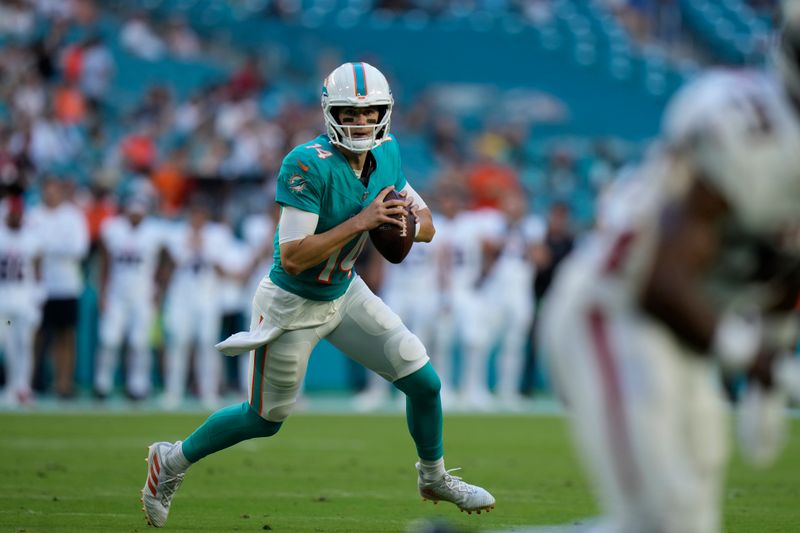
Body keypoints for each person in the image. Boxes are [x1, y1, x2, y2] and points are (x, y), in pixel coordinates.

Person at [141, 62, 495, 527]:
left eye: (370, 114)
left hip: (346, 292)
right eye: (350, 112)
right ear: (331, 113)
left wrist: (407, 224)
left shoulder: (388, 154)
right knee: (263, 420)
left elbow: (425, 219)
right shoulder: (306, 162)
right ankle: (169, 462)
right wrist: (363, 221)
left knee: (425, 382)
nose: (361, 123)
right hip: (293, 303)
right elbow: (292, 256)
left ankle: (433, 477)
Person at [538, 8, 800, 532]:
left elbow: (785, 271)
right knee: (660, 521)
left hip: (688, 331)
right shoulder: (746, 124)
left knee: (686, 523)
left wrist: (772, 360)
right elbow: (659, 282)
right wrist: (752, 358)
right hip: (616, 309)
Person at [93, 194, 164, 401]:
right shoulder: (113, 229)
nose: (135, 217)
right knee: (109, 339)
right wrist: (102, 291)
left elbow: (166, 260)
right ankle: (102, 384)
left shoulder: (154, 232)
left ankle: (138, 385)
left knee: (139, 342)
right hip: (116, 293)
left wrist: (159, 287)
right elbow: (104, 262)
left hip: (143, 294)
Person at [28, 177, 89, 399]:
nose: (51, 195)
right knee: (37, 335)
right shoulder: (34, 215)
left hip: (66, 284)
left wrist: (47, 248)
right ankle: (31, 381)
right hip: (39, 285)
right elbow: (28, 247)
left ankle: (63, 383)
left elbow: (79, 248)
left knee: (66, 336)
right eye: (48, 191)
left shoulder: (72, 216)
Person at [0, 196, 43, 406]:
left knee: (24, 344)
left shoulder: (31, 239)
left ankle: (23, 387)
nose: (16, 218)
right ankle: (11, 386)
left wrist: (38, 298)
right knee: (8, 345)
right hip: (4, 304)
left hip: (24, 302)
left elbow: (38, 269)